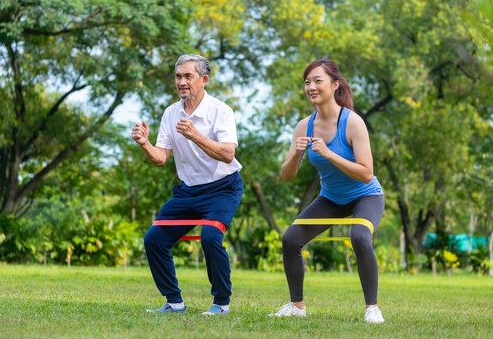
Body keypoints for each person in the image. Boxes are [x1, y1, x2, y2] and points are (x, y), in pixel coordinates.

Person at [269, 58, 385, 323]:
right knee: (290, 240)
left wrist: (330, 154)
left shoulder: (353, 122)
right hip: (331, 199)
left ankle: (372, 309)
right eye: (307, 82)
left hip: (366, 195)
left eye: (317, 81)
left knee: (359, 236)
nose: (311, 87)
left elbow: (366, 173)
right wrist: (296, 155)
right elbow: (286, 176)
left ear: (334, 85)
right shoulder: (304, 125)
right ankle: (296, 306)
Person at [131, 54, 243, 315]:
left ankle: (221, 304)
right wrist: (145, 143)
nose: (181, 82)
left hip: (223, 188)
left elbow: (228, 154)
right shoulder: (170, 113)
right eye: (178, 76)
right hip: (188, 191)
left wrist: (195, 135)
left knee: (210, 236)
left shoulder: (220, 110)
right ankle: (174, 302)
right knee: (154, 239)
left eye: (187, 76)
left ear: (204, 80)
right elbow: (161, 159)